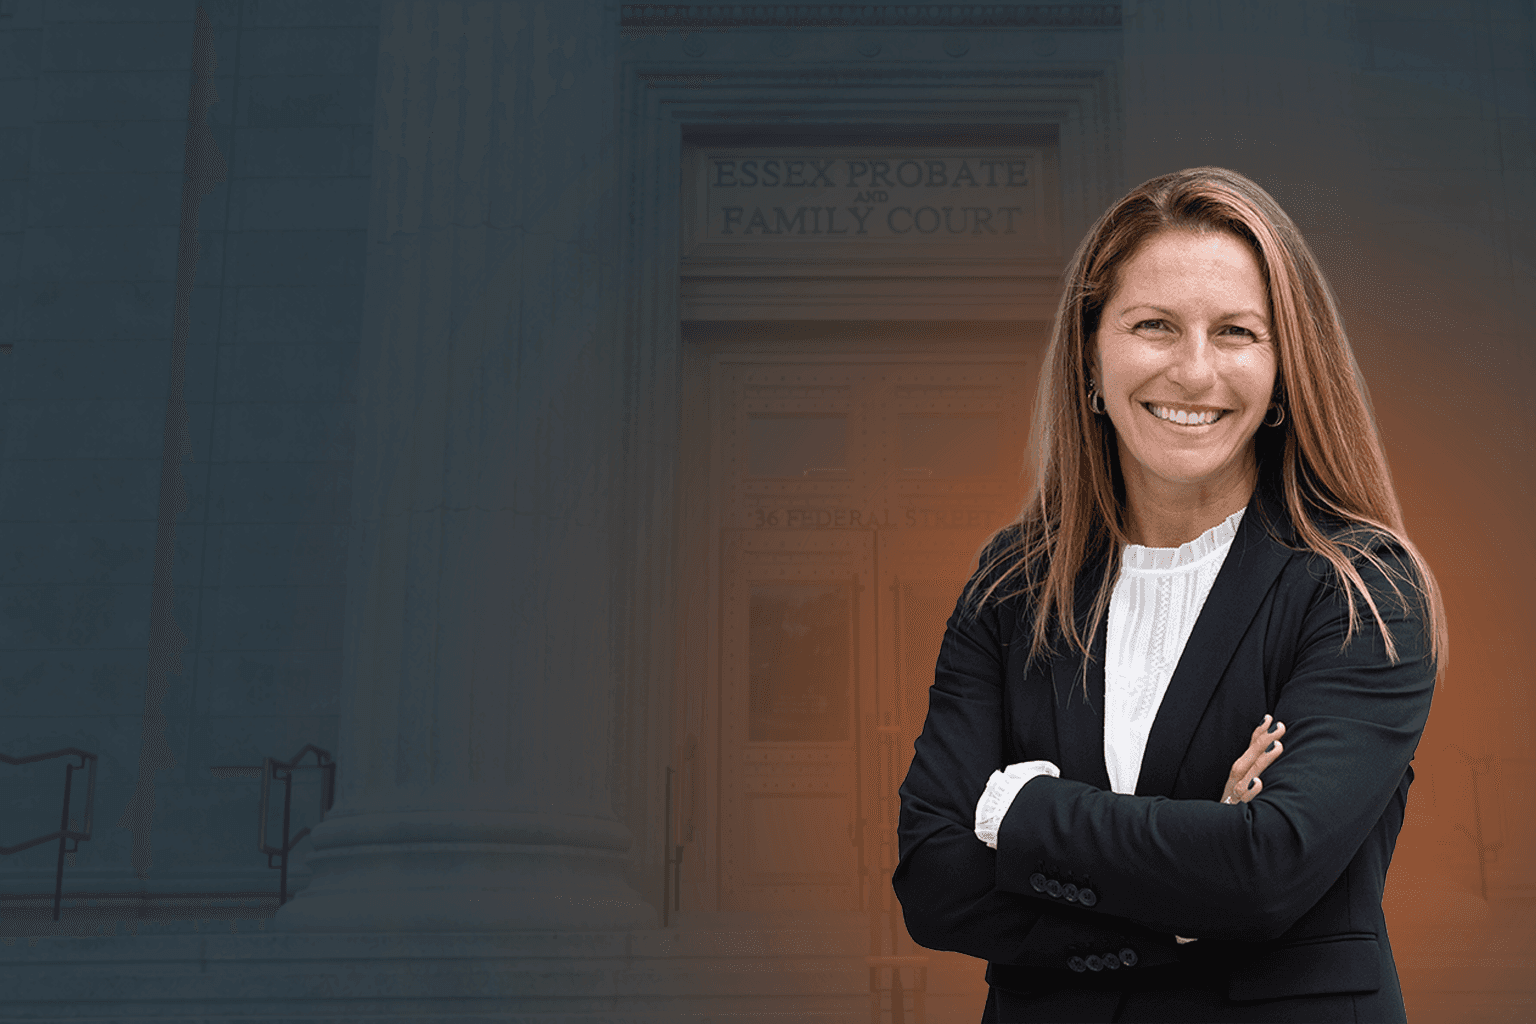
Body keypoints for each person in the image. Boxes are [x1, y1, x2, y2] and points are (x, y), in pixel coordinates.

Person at [892, 166, 1447, 1023]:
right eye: (1154, 326)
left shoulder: (1359, 588)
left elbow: (1266, 872)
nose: (1194, 371)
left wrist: (1020, 809)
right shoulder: (1012, 585)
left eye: (1235, 332)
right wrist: (1183, 901)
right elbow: (934, 880)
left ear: (1285, 368)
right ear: (1091, 353)